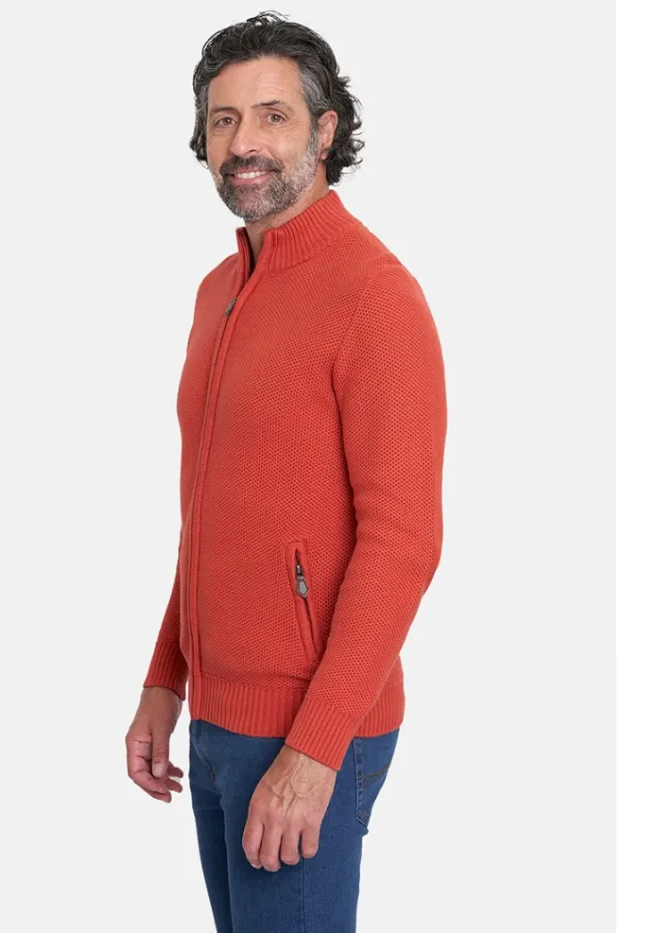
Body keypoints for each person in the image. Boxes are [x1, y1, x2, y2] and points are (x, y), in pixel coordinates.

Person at [126, 11, 447, 932]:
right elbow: (210, 514)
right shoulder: (218, 292)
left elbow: (404, 544)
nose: (244, 143)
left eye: (272, 115)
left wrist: (315, 748)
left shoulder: (375, 296)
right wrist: (165, 677)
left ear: (325, 129)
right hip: (218, 721)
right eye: (223, 119)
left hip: (310, 727)